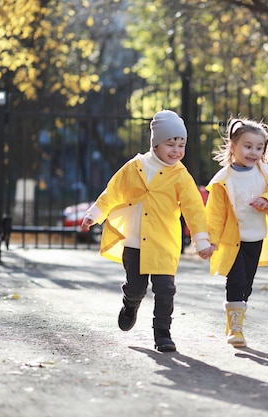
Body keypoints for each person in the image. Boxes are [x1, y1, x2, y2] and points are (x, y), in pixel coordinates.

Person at [81, 110, 214, 352]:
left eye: (181, 145)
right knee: (136, 287)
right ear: (155, 143)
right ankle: (130, 304)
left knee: (165, 290)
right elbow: (113, 191)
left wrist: (201, 240)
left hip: (164, 241)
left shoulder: (181, 176)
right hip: (134, 241)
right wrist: (94, 214)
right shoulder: (135, 166)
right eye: (170, 144)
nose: (176, 151)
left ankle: (163, 333)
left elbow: (194, 208)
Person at [206, 117, 268, 348]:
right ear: (233, 146)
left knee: (247, 283)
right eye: (248, 146)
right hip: (231, 240)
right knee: (236, 280)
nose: (253, 152)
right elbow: (215, 214)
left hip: (255, 238)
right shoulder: (223, 180)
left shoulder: (266, 174)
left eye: (259, 147)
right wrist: (211, 241)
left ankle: (235, 318)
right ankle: (235, 328)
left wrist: (267, 200)